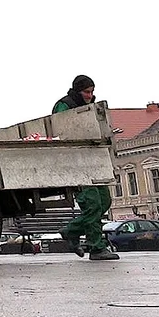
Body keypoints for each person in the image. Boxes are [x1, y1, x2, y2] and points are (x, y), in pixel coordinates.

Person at [55, 75, 119, 261]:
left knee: (104, 201)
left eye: (92, 92)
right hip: (75, 164)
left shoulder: (93, 108)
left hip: (94, 162)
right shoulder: (64, 105)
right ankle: (96, 247)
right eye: (86, 92)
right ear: (77, 91)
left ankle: (71, 231)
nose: (90, 96)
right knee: (92, 205)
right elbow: (61, 132)